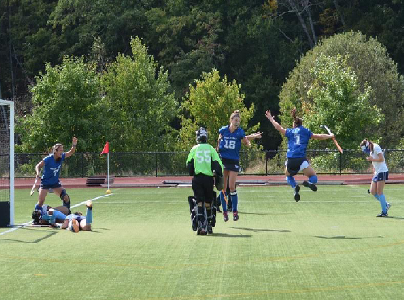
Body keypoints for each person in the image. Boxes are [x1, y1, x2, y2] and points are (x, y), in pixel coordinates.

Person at [265, 108, 334, 201]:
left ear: (294, 124)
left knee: (288, 176)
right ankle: (309, 183)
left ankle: (295, 188)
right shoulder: (305, 131)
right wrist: (330, 136)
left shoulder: (290, 131)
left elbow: (278, 127)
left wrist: (271, 119)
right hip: (301, 159)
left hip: (291, 159)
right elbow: (319, 136)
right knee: (314, 177)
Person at [217, 110, 262, 222]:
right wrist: (218, 147)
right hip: (223, 160)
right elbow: (219, 140)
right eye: (236, 120)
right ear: (231, 120)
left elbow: (245, 140)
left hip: (233, 161)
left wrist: (248, 142)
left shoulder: (240, 132)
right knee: (223, 188)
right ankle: (225, 212)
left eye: (239, 121)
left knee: (232, 187)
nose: (237, 122)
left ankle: (235, 211)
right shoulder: (223, 130)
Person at [186, 127, 223, 235]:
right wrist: (218, 174)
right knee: (208, 202)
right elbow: (218, 164)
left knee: (199, 202)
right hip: (208, 179)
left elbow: (189, 164)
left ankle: (201, 226)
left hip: (198, 179)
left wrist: (192, 171)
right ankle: (209, 225)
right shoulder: (211, 149)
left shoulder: (194, 149)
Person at [34, 137, 78, 212]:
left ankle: (67, 213)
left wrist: (74, 144)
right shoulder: (48, 159)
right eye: (60, 150)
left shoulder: (62, 157)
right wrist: (38, 173)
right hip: (45, 183)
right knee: (41, 202)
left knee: (66, 197)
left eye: (62, 150)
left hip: (55, 183)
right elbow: (38, 166)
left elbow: (71, 152)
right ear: (55, 151)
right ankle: (36, 215)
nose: (62, 152)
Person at [360, 139, 391, 217]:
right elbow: (374, 163)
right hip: (377, 172)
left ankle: (384, 212)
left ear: (368, 145)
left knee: (380, 192)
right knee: (372, 191)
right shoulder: (371, 150)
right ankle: (386, 205)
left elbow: (381, 159)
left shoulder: (376, 147)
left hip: (382, 171)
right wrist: (373, 171)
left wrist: (372, 159)